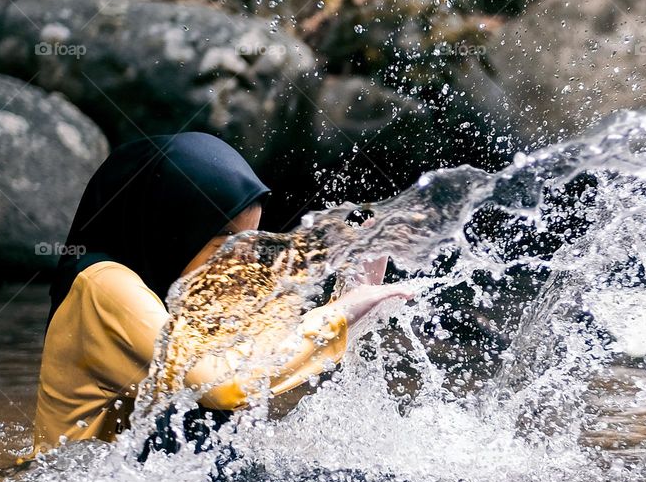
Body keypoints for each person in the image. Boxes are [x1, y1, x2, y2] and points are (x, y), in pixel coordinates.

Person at [32, 132, 407, 461]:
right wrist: (337, 315)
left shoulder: (185, 283)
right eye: (225, 245)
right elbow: (221, 386)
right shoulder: (103, 285)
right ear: (172, 230)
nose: (240, 263)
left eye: (251, 243)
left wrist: (350, 302)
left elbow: (261, 363)